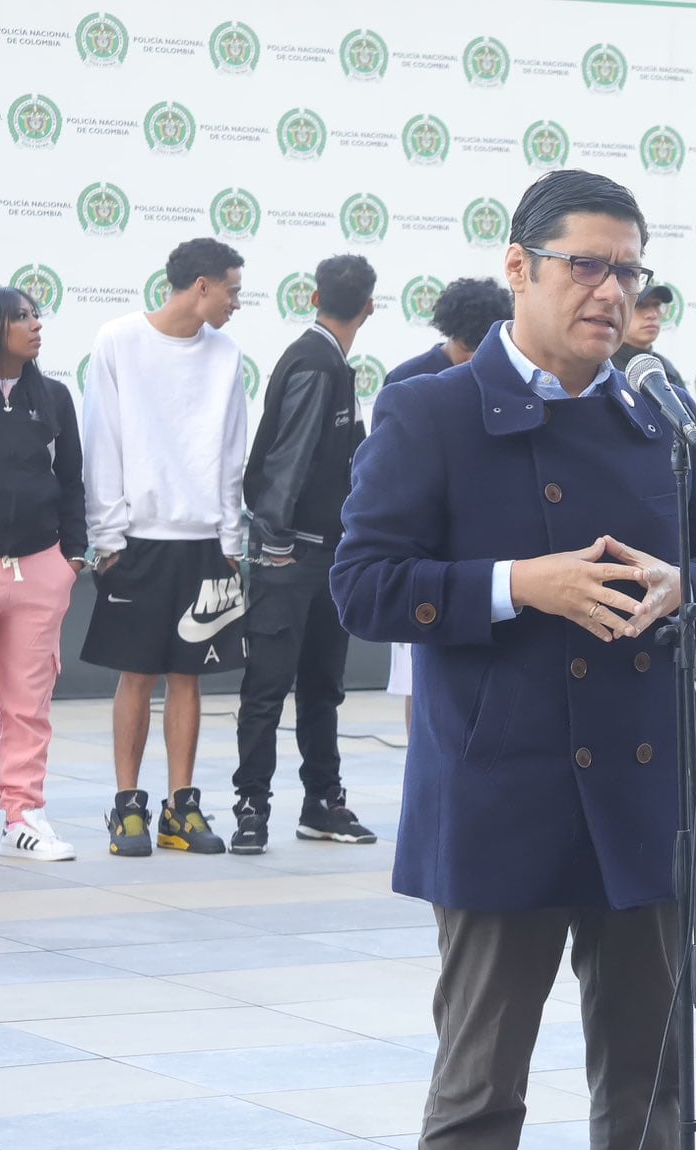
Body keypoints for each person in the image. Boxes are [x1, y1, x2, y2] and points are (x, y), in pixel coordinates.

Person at [330, 169, 696, 1148]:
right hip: (502, 797)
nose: (612, 293)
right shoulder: (431, 412)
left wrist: (683, 588)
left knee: (652, 1100)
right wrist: (521, 584)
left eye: (630, 272)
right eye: (587, 266)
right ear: (518, 267)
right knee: (478, 1097)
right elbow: (362, 586)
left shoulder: (660, 414)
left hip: (644, 801)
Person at [82, 237, 249, 857]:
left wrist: (231, 540)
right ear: (201, 285)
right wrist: (107, 539)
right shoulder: (118, 340)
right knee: (137, 675)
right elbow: (101, 440)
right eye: (232, 290)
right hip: (136, 541)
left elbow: (231, 451)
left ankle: (181, 807)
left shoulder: (227, 354)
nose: (237, 302)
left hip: (204, 542)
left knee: (188, 677)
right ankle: (128, 806)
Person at [231, 254, 378, 855]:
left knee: (322, 687)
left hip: (328, 558)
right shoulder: (317, 362)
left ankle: (321, 803)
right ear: (370, 307)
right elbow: (287, 459)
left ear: (315, 297)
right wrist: (276, 543)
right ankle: (253, 808)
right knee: (269, 689)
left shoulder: (330, 361)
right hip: (291, 556)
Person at [608, 284, 696, 827]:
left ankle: (687, 800)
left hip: (665, 601)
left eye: (658, 307)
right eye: (645, 306)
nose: (652, 315)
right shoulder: (605, 376)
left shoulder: (657, 376)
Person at [385, 276, 516, 734]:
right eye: (473, 348)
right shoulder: (409, 381)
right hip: (422, 558)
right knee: (415, 676)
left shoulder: (503, 379)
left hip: (481, 554)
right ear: (456, 337)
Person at [0, 288, 85, 861]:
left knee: (28, 704)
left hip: (40, 569)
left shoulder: (53, 396)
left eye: (36, 316)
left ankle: (22, 815)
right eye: (21, 317)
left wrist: (70, 560)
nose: (35, 325)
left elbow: (73, 480)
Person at [387, 276, 513, 385]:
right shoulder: (404, 378)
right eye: (466, 348)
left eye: (482, 348)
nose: (472, 359)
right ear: (451, 333)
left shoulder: (505, 377)